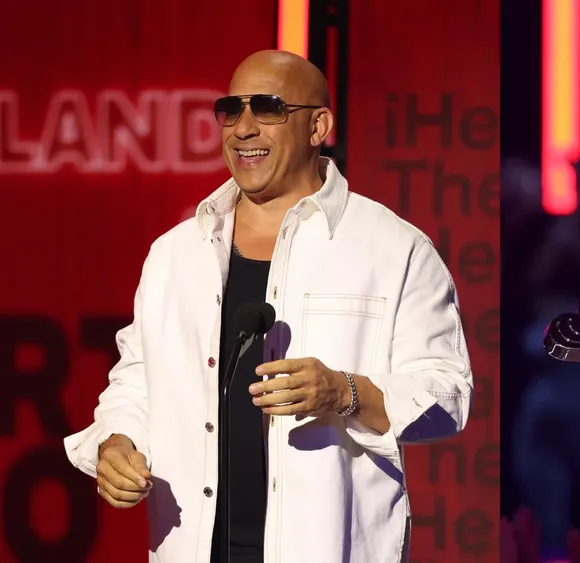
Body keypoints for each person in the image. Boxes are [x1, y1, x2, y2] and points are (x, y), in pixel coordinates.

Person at [63, 50, 474, 563]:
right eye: (231, 110)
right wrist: (117, 441)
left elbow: (447, 395)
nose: (243, 128)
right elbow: (138, 380)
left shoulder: (393, 249)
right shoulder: (176, 252)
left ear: (318, 126)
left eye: (268, 108)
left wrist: (344, 391)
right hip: (193, 544)